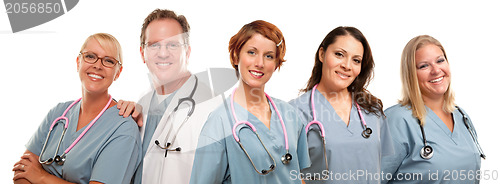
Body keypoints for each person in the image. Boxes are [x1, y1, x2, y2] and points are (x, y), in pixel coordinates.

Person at [190, 20, 310, 184]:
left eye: (269, 56)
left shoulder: (289, 114)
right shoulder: (219, 122)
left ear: (275, 65)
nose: (259, 63)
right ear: (236, 56)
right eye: (251, 52)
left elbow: (299, 176)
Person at [12, 33, 141, 184]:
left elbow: (32, 174)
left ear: (118, 72)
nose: (97, 65)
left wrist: (41, 177)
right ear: (78, 62)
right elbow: (22, 172)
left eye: (108, 61)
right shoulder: (58, 113)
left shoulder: (123, 129)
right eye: (90, 56)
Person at [133, 9, 235, 184]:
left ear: (187, 52)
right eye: (154, 45)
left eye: (172, 45)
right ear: (143, 53)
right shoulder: (142, 102)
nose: (163, 53)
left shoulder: (214, 106)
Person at [289, 26, 393, 183]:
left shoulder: (373, 110)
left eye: (356, 60)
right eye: (339, 55)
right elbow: (291, 175)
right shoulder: (295, 112)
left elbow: (384, 167)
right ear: (322, 54)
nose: (347, 65)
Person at [381, 35, 483, 183]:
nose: (436, 70)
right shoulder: (396, 121)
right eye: (424, 66)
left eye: (440, 61)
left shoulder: (462, 117)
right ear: (411, 74)